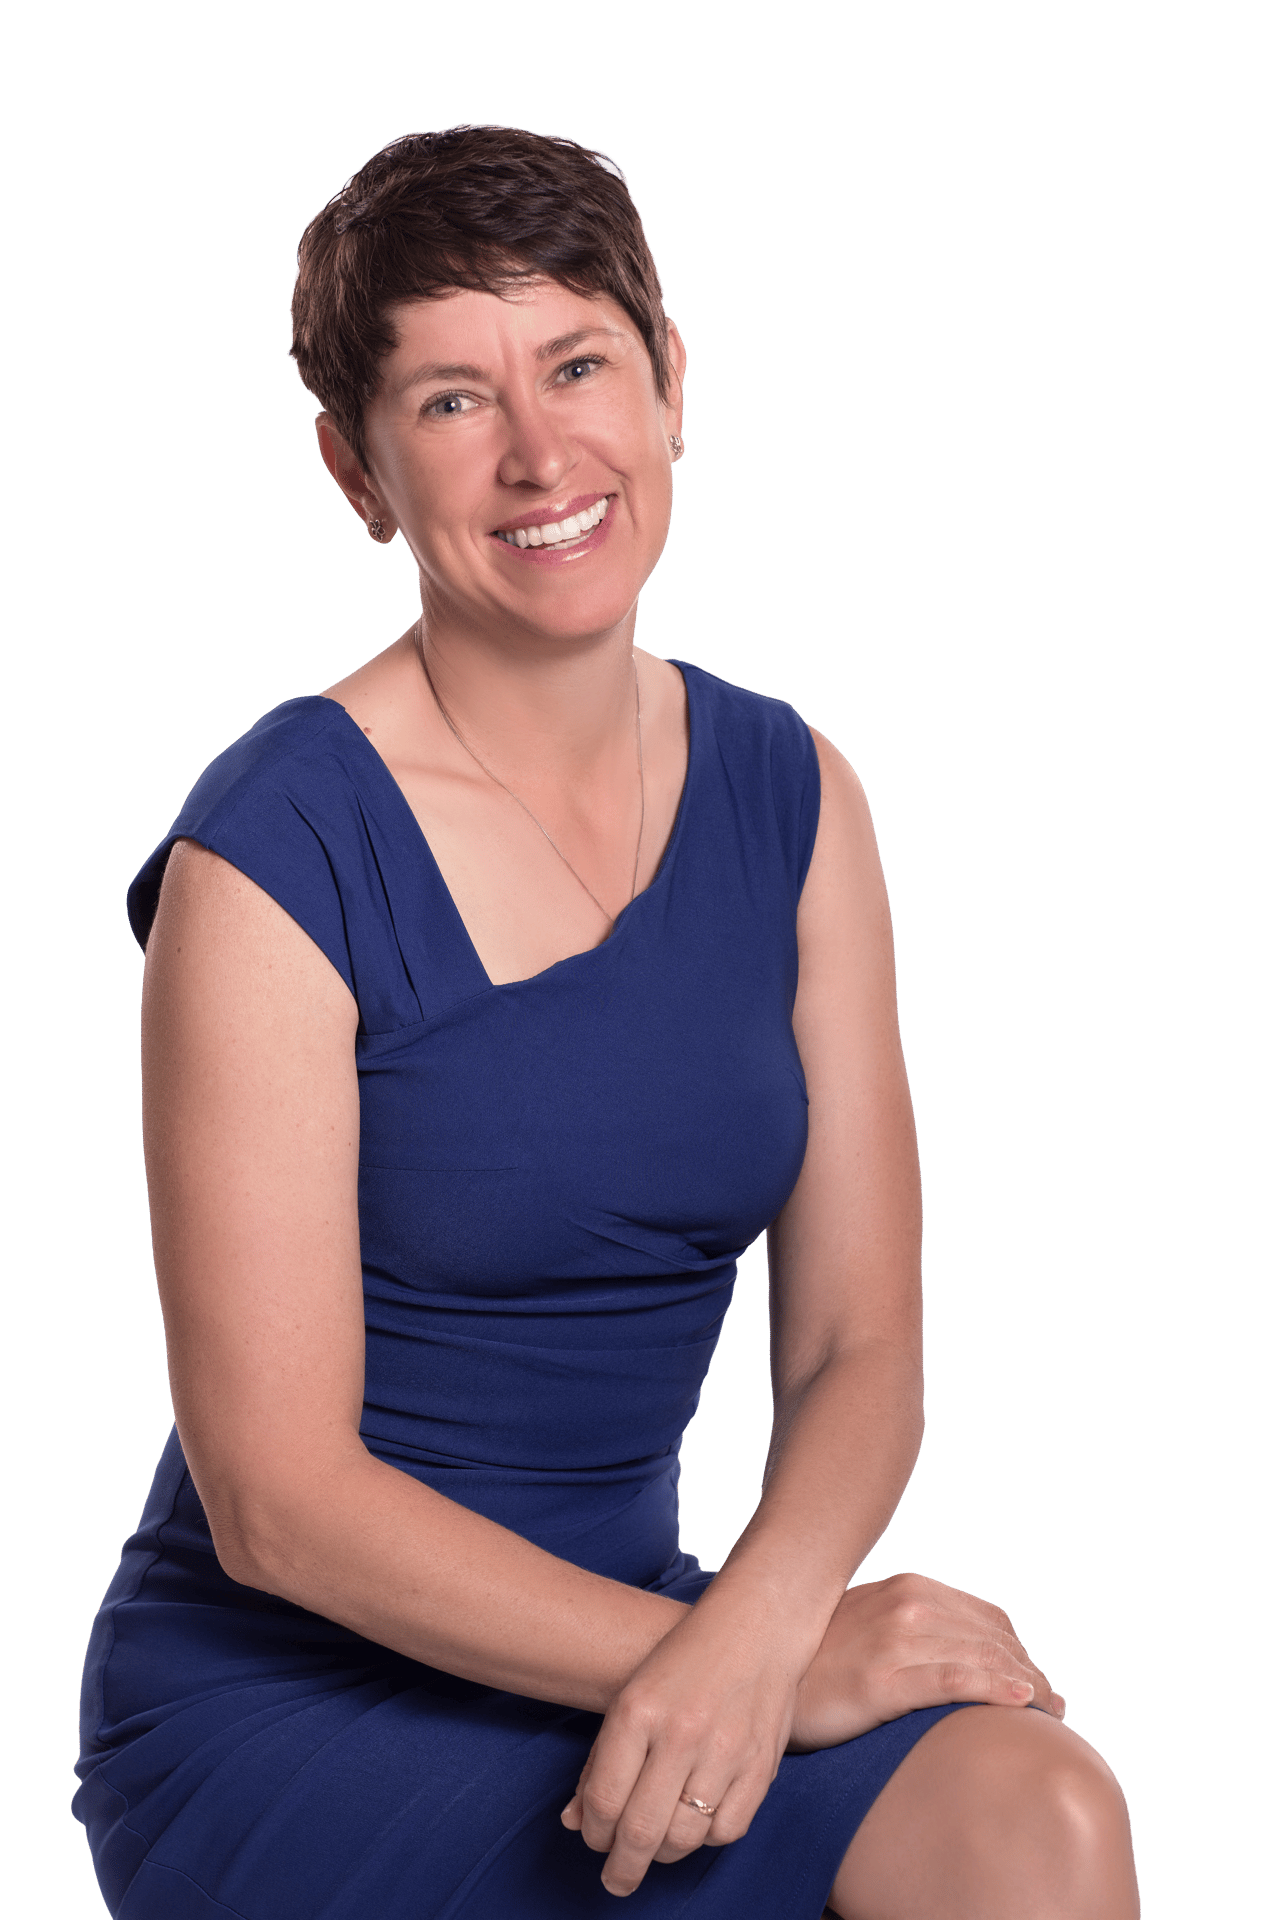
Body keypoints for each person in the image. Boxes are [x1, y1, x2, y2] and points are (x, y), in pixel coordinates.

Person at [73, 124, 1140, 1918]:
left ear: (667, 391)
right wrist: (764, 1669)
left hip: (666, 1642)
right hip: (294, 1710)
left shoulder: (796, 795)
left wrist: (757, 1632)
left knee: (1037, 1808)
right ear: (357, 473)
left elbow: (856, 1345)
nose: (541, 452)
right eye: (448, 402)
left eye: (579, 366)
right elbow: (276, 1502)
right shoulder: (268, 857)